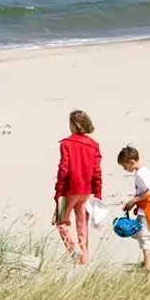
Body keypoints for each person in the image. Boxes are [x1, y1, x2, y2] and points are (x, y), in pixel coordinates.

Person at [54, 109, 103, 265]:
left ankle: (73, 250)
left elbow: (63, 169)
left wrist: (58, 192)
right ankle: (84, 258)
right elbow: (97, 170)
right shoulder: (93, 145)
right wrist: (98, 192)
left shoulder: (66, 144)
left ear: (74, 124)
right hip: (86, 190)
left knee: (61, 222)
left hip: (70, 189)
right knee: (82, 224)